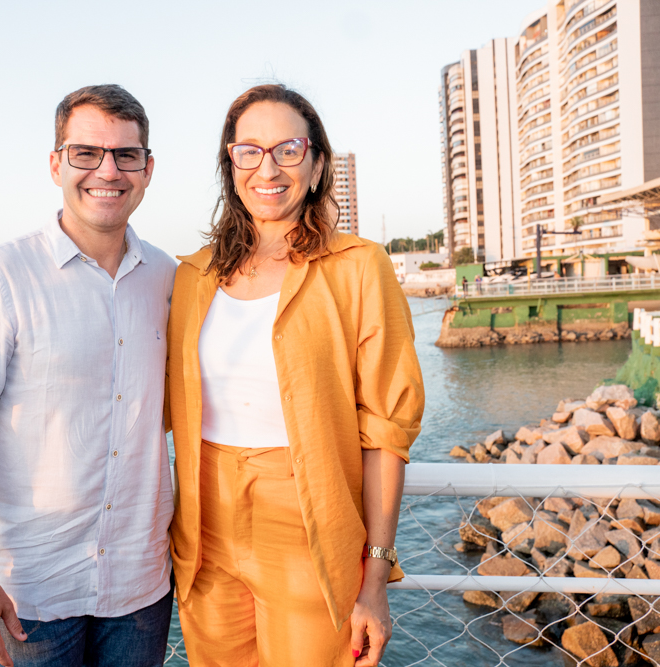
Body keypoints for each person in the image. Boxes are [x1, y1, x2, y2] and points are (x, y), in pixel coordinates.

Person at [167, 84, 425, 667]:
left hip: (308, 525)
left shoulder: (360, 268)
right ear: (230, 166)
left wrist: (375, 576)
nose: (268, 167)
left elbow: (386, 428)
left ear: (316, 164)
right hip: (203, 530)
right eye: (249, 151)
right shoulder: (192, 276)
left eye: (288, 149)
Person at [0, 84, 176, 667]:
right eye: (86, 153)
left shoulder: (171, 279)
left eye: (125, 155)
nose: (107, 170)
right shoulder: (1, 274)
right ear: (56, 164)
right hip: (33, 593)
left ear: (148, 169)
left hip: (142, 586)